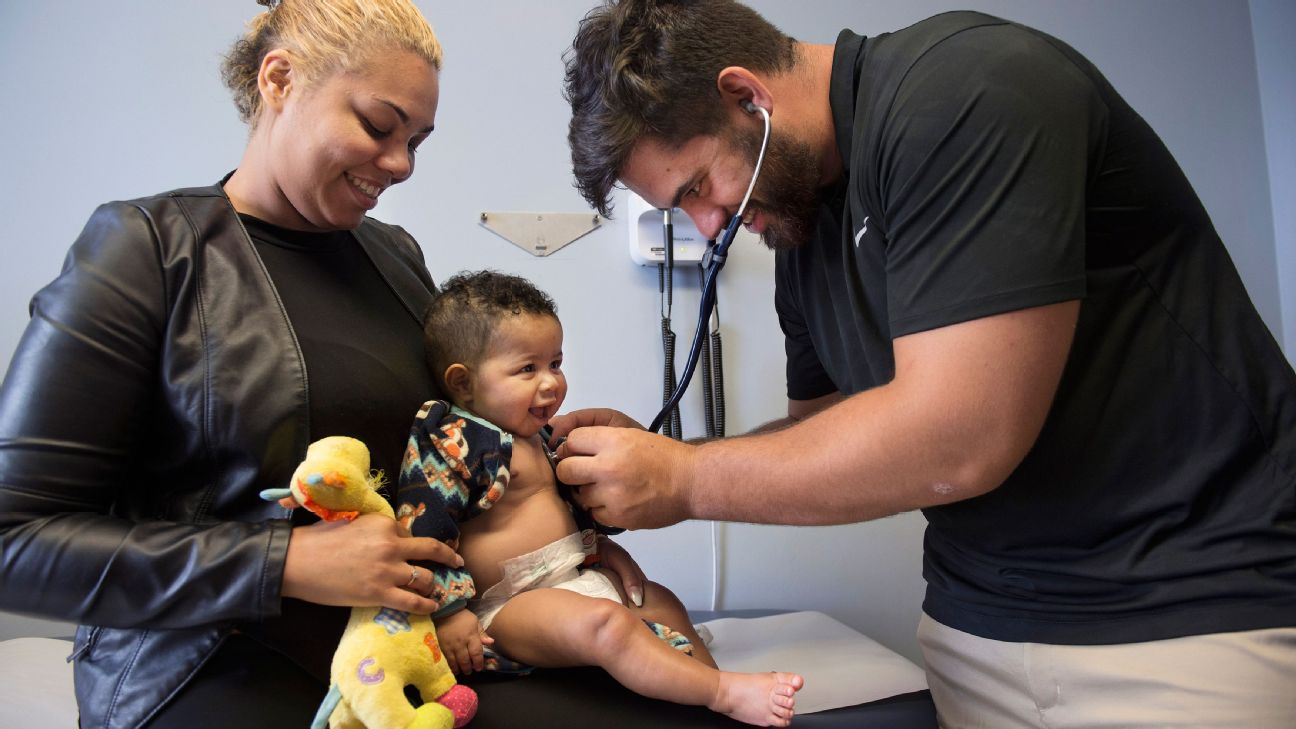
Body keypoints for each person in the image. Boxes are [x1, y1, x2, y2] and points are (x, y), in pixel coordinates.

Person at [554, 1, 1296, 726]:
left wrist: (683, 482)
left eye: (696, 188)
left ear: (747, 95)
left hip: (1188, 622)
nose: (708, 225)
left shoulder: (968, 90)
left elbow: (963, 436)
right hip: (976, 630)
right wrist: (662, 457)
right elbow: (824, 434)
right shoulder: (801, 228)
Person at [397, 269, 803, 727]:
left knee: (662, 602)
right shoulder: (454, 441)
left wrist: (602, 518)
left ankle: (704, 687)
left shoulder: (545, 438)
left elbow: (578, 510)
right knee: (605, 627)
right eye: (527, 369)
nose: (551, 382)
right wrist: (449, 614)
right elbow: (423, 527)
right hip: (507, 606)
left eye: (556, 363)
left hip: (570, 576)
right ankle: (722, 693)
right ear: (463, 382)